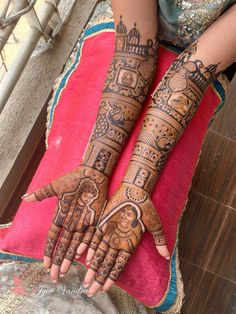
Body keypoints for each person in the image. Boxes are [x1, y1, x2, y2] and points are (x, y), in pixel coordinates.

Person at [22, 0, 236, 299]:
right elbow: (133, 52)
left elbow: (191, 75)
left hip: (203, 63)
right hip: (126, 33)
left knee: (143, 223)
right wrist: (95, 167)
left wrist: (136, 185)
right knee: (62, 184)